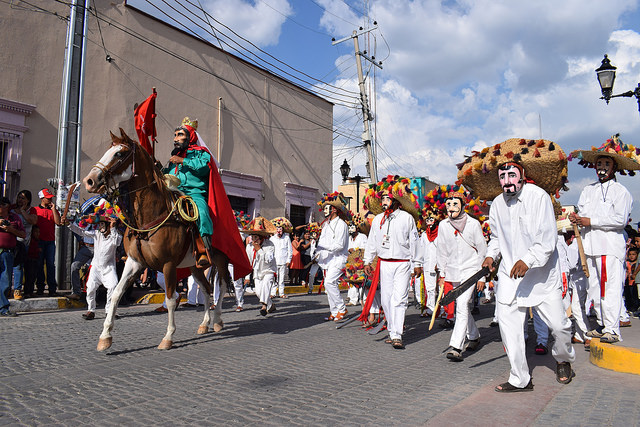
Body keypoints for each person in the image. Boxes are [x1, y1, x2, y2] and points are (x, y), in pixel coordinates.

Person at [483, 160, 576, 391]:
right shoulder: (497, 204)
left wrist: (528, 260)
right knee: (509, 330)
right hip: (510, 278)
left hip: (541, 277)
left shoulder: (539, 197)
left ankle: (563, 359)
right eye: (502, 177)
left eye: (512, 175)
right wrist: (490, 256)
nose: (507, 181)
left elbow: (547, 239)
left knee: (559, 326)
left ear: (522, 175)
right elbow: (496, 238)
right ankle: (520, 378)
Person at [569, 135, 634, 344]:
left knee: (610, 289)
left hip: (608, 247)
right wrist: (576, 218)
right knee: (595, 289)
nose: (602, 167)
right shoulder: (588, 190)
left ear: (614, 167)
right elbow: (582, 214)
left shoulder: (620, 192)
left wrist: (590, 221)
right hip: (590, 248)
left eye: (606, 164)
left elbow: (620, 220)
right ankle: (603, 324)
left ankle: (613, 329)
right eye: (599, 164)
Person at [363, 177, 423, 349]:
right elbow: (372, 241)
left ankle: (397, 334)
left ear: (396, 201)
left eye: (387, 198)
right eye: (382, 198)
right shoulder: (377, 219)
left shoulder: (406, 218)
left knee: (399, 299)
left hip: (403, 263)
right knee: (386, 300)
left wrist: (417, 263)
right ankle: (391, 330)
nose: (384, 201)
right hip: (384, 264)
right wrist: (368, 261)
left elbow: (414, 242)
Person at [435, 186, 486, 361]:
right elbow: (441, 251)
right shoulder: (443, 225)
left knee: (462, 304)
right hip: (453, 272)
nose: (451, 208)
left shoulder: (473, 224)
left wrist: (482, 276)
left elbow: (482, 250)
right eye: (448, 204)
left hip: (471, 271)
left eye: (455, 204)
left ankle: (456, 346)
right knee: (461, 306)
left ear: (463, 205)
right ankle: (474, 336)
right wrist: (442, 274)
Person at [67, 207, 123, 320]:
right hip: (96, 267)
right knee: (90, 287)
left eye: (103, 224)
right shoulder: (97, 234)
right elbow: (81, 232)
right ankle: (91, 310)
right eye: (100, 224)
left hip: (108, 268)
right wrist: (69, 224)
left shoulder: (116, 236)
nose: (101, 227)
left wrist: (112, 227)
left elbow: (116, 242)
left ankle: (109, 311)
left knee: (113, 286)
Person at [315, 192, 350, 322]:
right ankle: (334, 312)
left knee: (329, 282)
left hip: (339, 258)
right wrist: (317, 253)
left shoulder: (342, 225)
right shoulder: (326, 225)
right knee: (329, 285)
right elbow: (321, 242)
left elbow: (339, 246)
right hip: (327, 259)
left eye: (327, 208)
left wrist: (323, 246)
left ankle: (341, 308)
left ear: (334, 209)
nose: (324, 210)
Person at [29, 188, 62, 296]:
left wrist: (53, 209)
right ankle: (40, 287)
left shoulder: (52, 210)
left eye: (50, 198)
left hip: (50, 241)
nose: (50, 200)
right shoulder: (34, 210)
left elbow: (58, 222)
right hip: (39, 241)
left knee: (50, 265)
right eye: (47, 198)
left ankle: (52, 288)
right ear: (42, 198)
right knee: (39, 265)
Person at [243, 217, 277, 316]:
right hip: (257, 272)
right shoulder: (249, 246)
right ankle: (271, 305)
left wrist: (259, 250)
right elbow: (248, 261)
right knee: (258, 293)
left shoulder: (270, 245)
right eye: (252, 237)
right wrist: (247, 277)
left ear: (261, 237)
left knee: (266, 286)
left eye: (255, 237)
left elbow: (268, 260)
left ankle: (264, 307)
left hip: (269, 270)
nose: (253, 240)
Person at [0, 196, 26, 317]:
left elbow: (23, 234)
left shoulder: (14, 218)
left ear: (6, 206)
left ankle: (3, 308)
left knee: (5, 281)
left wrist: (10, 229)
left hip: (7, 253)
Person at [11, 190, 35, 301]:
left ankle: (18, 289)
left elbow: (32, 221)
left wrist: (22, 211)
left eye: (23, 198)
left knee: (19, 266)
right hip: (12, 242)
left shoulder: (31, 210)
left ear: (28, 200)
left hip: (23, 243)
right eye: (19, 197)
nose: (20, 200)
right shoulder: (11, 210)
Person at [346, 217, 368, 306]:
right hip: (351, 262)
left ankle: (364, 299)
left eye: (352, 227)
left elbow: (365, 248)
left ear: (357, 228)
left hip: (360, 262)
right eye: (349, 227)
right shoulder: (349, 238)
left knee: (361, 280)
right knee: (352, 280)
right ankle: (353, 299)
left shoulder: (362, 237)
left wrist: (354, 250)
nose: (350, 229)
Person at [270, 225, 292, 298]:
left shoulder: (286, 238)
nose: (279, 232)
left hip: (283, 261)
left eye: (280, 230)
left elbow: (290, 250)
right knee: (274, 278)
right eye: (278, 230)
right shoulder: (272, 238)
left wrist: (288, 260)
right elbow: (270, 250)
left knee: (282, 279)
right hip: (274, 261)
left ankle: (281, 293)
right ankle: (273, 293)